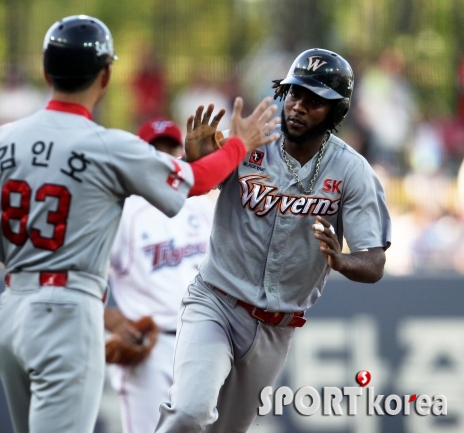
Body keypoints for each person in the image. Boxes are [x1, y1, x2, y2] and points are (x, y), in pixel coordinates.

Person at [0, 14, 280, 433]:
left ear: (44, 71)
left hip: (10, 313)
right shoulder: (107, 146)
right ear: (106, 76)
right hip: (66, 314)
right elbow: (196, 182)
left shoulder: (1, 139)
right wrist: (241, 143)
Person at [154, 48, 392, 433]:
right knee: (189, 413)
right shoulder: (251, 140)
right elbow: (192, 185)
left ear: (337, 112)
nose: (298, 106)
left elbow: (374, 262)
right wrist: (194, 160)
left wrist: (343, 260)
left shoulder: (353, 171)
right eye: (295, 93)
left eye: (315, 102)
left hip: (275, 328)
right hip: (216, 301)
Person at [104, 117, 214, 433]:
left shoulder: (200, 206)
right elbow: (79, 270)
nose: (164, 156)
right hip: (149, 350)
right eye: (155, 149)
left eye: (170, 147)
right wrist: (106, 317)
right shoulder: (124, 211)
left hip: (204, 345)